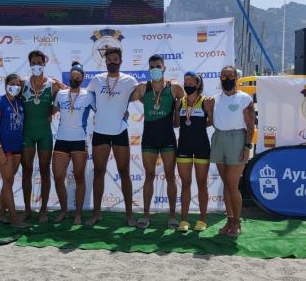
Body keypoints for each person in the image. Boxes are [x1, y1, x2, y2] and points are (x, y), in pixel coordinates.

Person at [131, 54, 184, 229]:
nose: (155, 69)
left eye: (158, 66)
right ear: (148, 69)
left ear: (164, 68)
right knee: (149, 176)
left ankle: (172, 216)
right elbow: (123, 98)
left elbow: (180, 116)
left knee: (170, 176)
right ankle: (145, 215)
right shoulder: (141, 88)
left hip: (168, 136)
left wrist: (176, 111)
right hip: (149, 137)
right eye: (152, 67)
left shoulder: (175, 88)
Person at [86, 47, 138, 226]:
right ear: (105, 62)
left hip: (119, 132)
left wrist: (125, 109)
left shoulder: (129, 81)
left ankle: (129, 215)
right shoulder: (96, 79)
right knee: (99, 172)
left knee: (124, 173)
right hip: (100, 131)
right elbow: (87, 97)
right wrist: (96, 110)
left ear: (121, 61)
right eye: (109, 60)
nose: (112, 62)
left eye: (115, 59)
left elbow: (140, 94)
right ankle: (96, 213)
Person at [207, 65, 255, 237]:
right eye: (223, 76)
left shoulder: (244, 99)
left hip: (238, 139)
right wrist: (208, 110)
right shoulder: (215, 99)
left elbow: (251, 126)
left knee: (233, 185)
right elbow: (213, 122)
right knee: (226, 184)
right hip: (219, 138)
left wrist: (247, 146)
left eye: (230, 76)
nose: (227, 79)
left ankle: (237, 222)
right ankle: (229, 219)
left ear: (236, 77)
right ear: (220, 78)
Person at [20, 50, 64, 223]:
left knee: (45, 171)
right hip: (27, 133)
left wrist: (53, 111)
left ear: (44, 63)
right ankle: (27, 209)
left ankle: (44, 210)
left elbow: (70, 95)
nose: (36, 66)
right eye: (33, 63)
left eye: (39, 62)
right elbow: (9, 97)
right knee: (27, 171)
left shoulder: (53, 84)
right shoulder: (22, 83)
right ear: (29, 64)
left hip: (44, 133)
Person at [51, 62, 94, 225]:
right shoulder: (61, 94)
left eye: (78, 77)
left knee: (79, 178)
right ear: (69, 77)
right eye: (72, 77)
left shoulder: (88, 95)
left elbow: (103, 108)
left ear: (82, 79)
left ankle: (78, 213)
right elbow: (51, 112)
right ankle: (63, 210)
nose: (75, 79)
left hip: (79, 140)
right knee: (58, 176)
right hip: (61, 139)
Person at [0, 74, 28, 228]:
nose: (15, 86)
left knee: (9, 182)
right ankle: (15, 219)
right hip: (4, 149)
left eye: (18, 84)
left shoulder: (20, 103)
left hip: (17, 148)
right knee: (7, 181)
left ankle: (1, 215)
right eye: (12, 83)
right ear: (6, 85)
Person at [175, 71, 212, 232]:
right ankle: (184, 220)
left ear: (197, 84)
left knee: (202, 184)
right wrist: (176, 112)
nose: (187, 85)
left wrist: (209, 111)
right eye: (185, 82)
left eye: (191, 83)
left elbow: (212, 122)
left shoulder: (205, 101)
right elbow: (176, 125)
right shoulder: (180, 102)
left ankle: (202, 220)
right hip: (183, 146)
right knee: (185, 184)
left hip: (202, 146)